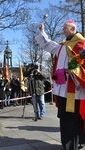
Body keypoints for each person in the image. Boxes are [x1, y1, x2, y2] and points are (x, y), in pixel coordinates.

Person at [35, 20, 85, 150]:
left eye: (65, 28)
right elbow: (48, 45)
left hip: (75, 89)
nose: (63, 30)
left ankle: (74, 144)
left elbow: (82, 62)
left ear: (73, 29)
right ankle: (73, 143)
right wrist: (42, 31)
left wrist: (74, 69)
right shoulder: (63, 46)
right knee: (66, 117)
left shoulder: (81, 44)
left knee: (74, 118)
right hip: (63, 88)